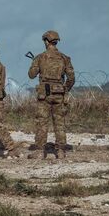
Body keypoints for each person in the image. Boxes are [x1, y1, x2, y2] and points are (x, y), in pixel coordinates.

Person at [28, 30, 75, 159]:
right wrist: (65, 89)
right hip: (59, 93)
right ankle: (60, 151)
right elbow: (71, 78)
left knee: (42, 123)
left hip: (44, 94)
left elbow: (31, 75)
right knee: (59, 123)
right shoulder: (65, 58)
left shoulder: (40, 57)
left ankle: (39, 152)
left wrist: (34, 65)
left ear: (46, 41)